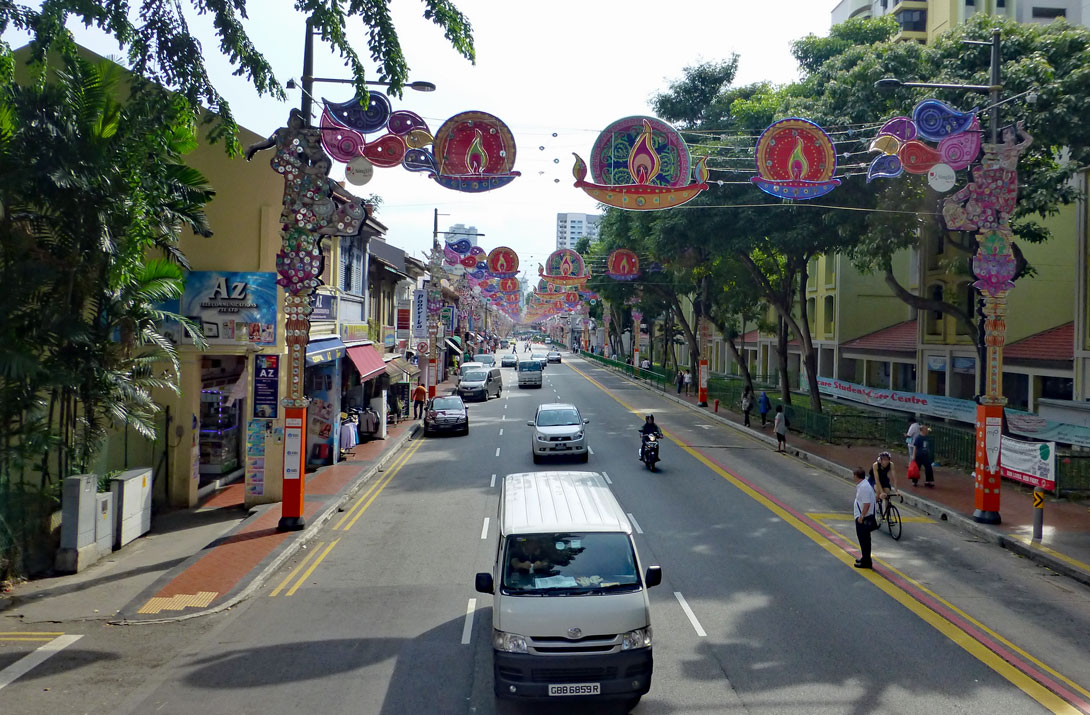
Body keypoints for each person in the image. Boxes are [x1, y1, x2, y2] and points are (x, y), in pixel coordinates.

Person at [853, 467, 877, 569]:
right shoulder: (863, 485)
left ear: (856, 476)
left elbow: (866, 504)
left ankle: (867, 562)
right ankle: (865, 557)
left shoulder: (864, 487)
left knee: (865, 540)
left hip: (864, 518)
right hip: (862, 517)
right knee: (863, 540)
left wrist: (861, 516)